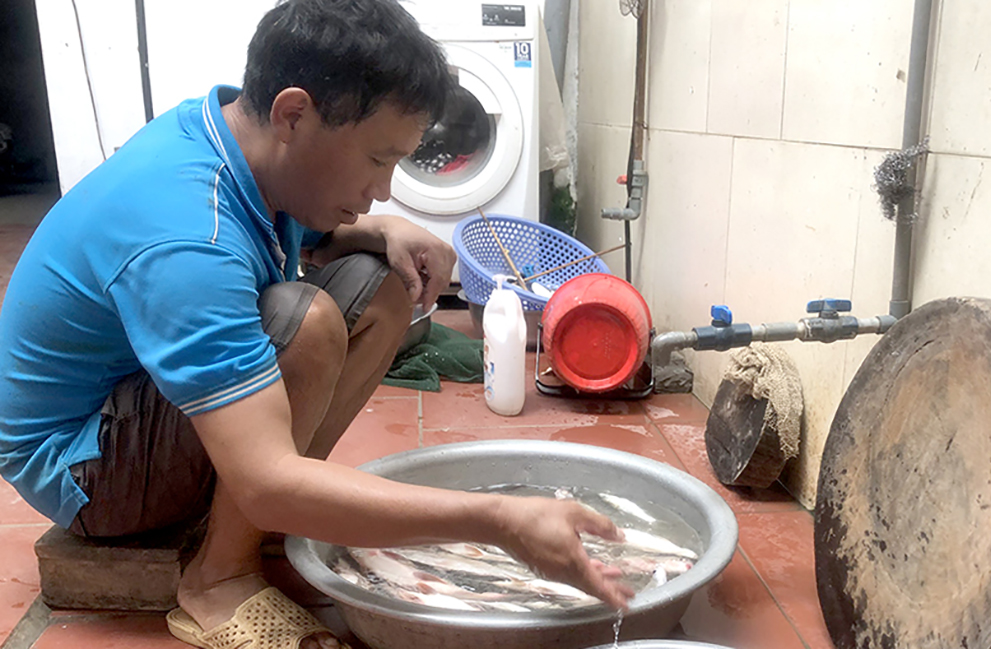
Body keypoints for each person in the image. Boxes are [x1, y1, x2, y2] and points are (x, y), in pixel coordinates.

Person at [0, 1, 633, 647]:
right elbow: (220, 265)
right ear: (294, 113)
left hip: (130, 401)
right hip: (84, 472)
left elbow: (289, 232)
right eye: (377, 159)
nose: (384, 189)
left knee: (385, 283)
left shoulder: (226, 135)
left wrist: (377, 229)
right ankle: (217, 579)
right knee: (305, 322)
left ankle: (261, 516)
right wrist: (500, 519)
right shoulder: (185, 237)